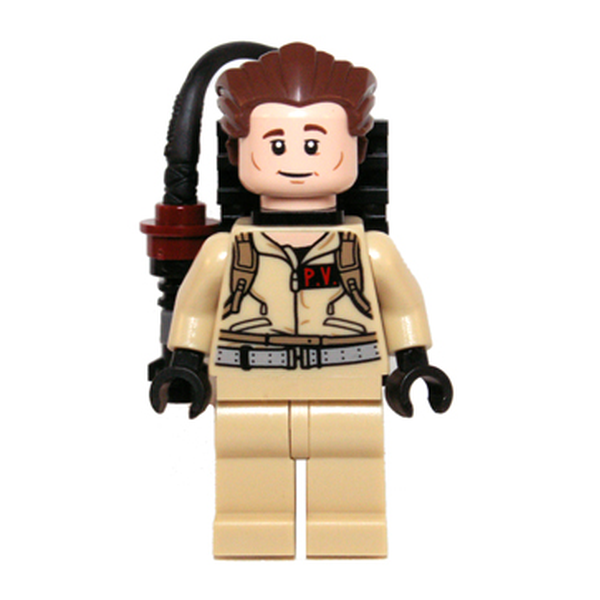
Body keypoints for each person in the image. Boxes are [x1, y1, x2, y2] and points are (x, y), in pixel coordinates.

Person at [151, 42, 452, 558]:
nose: (295, 161)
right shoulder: (226, 251)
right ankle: (251, 535)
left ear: (358, 150)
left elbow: (402, 306)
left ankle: (349, 534)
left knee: (351, 467)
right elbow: (196, 309)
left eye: (313, 144)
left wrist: (413, 363)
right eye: (275, 145)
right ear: (236, 152)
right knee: (248, 468)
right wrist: (185, 363)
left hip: (348, 378)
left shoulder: (368, 250)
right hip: (248, 382)